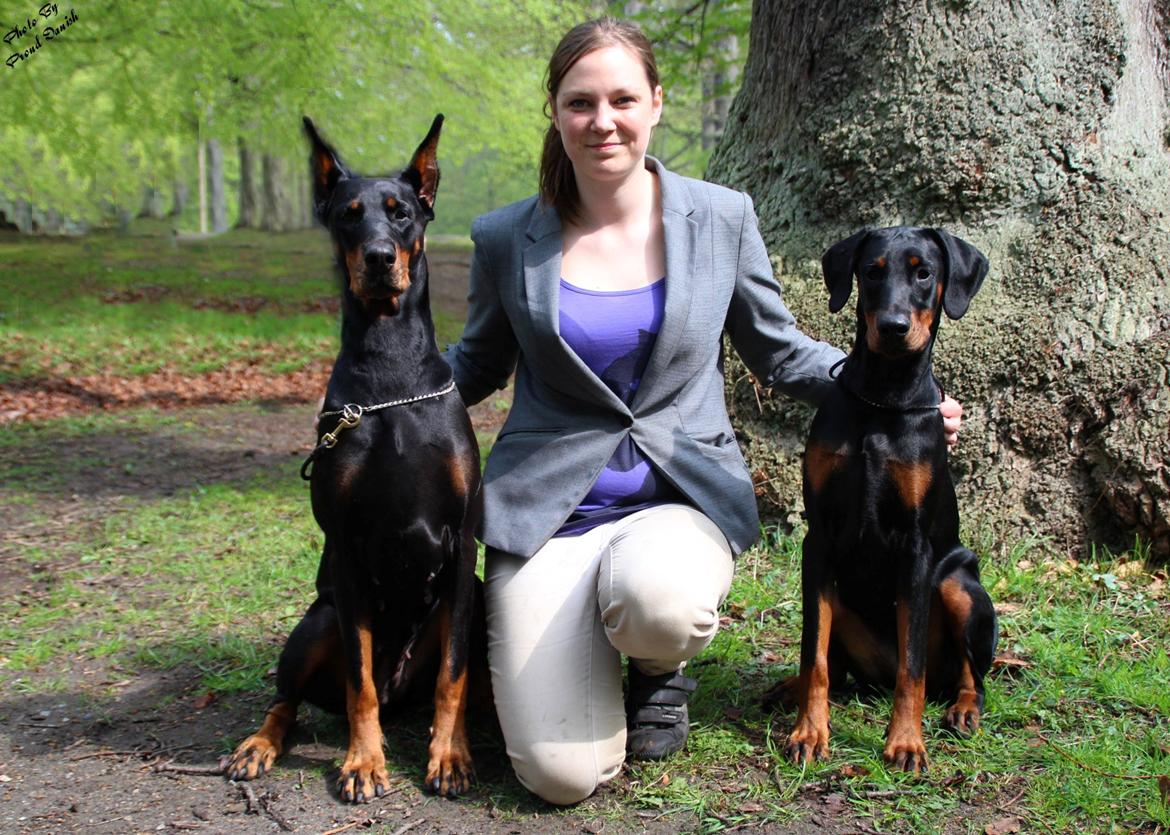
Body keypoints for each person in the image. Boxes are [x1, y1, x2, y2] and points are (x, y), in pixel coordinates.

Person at [443, 17, 963, 805]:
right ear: (555, 111)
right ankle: (583, 647)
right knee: (560, 777)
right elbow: (476, 364)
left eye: (622, 97)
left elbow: (780, 350)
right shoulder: (506, 237)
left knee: (661, 604)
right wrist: (375, 400)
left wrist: (901, 394)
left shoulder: (721, 218)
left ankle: (658, 669)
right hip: (546, 509)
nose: (603, 119)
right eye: (581, 102)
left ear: (654, 102)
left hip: (677, 500)